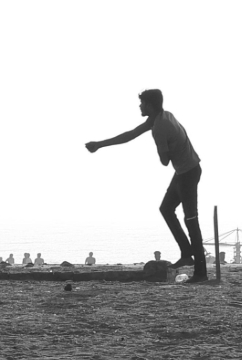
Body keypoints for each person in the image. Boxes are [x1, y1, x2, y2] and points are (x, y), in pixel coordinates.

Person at [86, 88, 207, 281]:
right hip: (184, 171)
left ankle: (201, 272)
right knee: (166, 209)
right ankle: (186, 253)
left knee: (191, 219)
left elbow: (164, 161)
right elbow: (130, 135)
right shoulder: (161, 117)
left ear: (150, 105)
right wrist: (100, 144)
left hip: (188, 173)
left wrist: (162, 148)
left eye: (142, 103)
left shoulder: (160, 126)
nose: (139, 106)